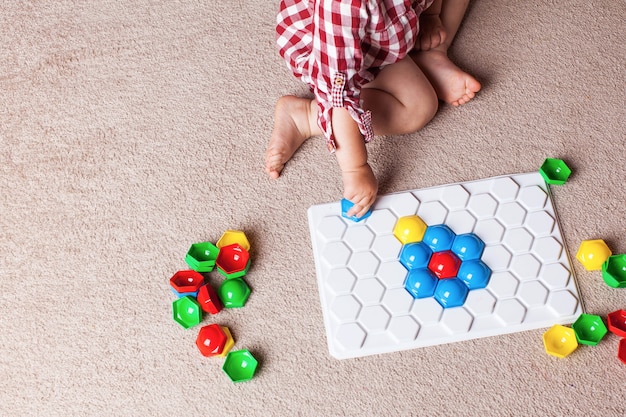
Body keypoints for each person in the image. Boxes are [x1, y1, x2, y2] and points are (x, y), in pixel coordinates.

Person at [265, 0, 481, 219]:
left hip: (392, 25)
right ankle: (305, 117)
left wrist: (430, 16)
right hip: (341, 55)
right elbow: (339, 93)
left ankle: (433, 54)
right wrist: (355, 169)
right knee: (419, 107)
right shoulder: (341, 6)